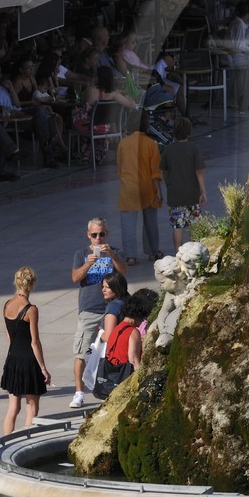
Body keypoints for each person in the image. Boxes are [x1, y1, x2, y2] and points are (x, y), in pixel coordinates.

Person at [69, 218, 127, 408]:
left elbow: (124, 271)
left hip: (111, 308)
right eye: (94, 235)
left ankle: (113, 386)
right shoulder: (81, 253)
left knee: (114, 349)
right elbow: (75, 277)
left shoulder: (114, 252)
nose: (98, 238)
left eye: (101, 234)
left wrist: (112, 256)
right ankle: (79, 393)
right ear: (88, 235)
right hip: (89, 309)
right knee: (81, 352)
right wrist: (88, 264)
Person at [0, 267, 50, 435]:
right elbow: (34, 342)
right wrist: (43, 368)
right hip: (29, 361)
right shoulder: (31, 309)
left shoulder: (7, 305)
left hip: (13, 359)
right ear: (32, 284)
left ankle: (5, 443)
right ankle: (27, 443)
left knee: (13, 408)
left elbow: (9, 337)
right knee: (32, 407)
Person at [115, 114, 163, 265]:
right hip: (147, 187)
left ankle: (130, 256)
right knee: (150, 222)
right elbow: (155, 171)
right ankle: (153, 252)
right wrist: (159, 191)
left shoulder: (123, 144)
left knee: (128, 223)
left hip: (128, 188)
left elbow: (120, 167)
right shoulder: (151, 144)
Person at [160, 116, 206, 250]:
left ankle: (178, 254)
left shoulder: (168, 150)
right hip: (193, 194)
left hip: (175, 194)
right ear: (189, 132)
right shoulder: (194, 149)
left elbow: (164, 171)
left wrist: (169, 184)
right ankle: (194, 254)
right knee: (195, 225)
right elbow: (199, 171)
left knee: (177, 226)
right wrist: (203, 191)